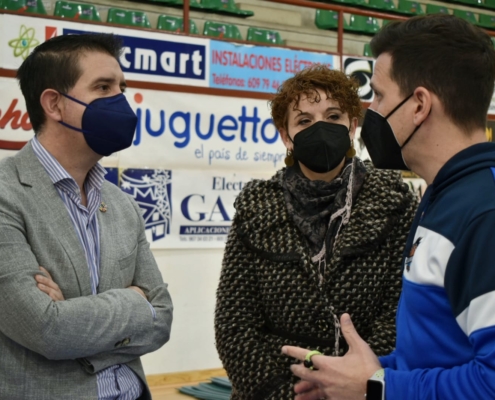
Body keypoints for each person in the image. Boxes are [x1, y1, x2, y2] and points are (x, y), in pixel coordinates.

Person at [282, 14, 495, 400]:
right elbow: (439, 355)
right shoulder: (443, 196)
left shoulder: (484, 215)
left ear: (419, 106)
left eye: (379, 96)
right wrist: (353, 377)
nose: (370, 111)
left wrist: (377, 387)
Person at [214, 65, 417, 400]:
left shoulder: (394, 202)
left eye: (333, 115)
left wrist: (354, 382)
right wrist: (285, 393)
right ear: (286, 136)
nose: (320, 128)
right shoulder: (256, 207)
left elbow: (399, 313)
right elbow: (235, 324)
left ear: (352, 125)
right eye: (304, 121)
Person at [0, 34, 173, 399]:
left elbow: (162, 318)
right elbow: (46, 329)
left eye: (121, 87)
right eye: (103, 87)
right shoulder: (6, 194)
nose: (121, 101)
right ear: (54, 104)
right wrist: (133, 302)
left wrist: (74, 314)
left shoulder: (122, 203)